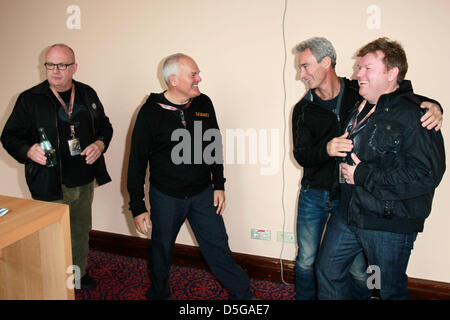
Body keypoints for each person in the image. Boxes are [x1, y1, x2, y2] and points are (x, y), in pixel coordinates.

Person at [292, 37, 442, 300]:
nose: (358, 73)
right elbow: (303, 154)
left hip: (387, 220)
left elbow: (426, 174)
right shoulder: (359, 106)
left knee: (384, 287)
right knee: (324, 269)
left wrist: (434, 105)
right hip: (347, 209)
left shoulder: (413, 113)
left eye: (367, 68)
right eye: (359, 68)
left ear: (392, 73)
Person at [127, 53, 253, 300]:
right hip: (166, 197)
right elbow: (136, 163)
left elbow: (214, 144)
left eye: (197, 73)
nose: (199, 78)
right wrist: (137, 207)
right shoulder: (149, 113)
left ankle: (243, 296)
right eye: (193, 75)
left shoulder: (203, 103)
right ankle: (159, 294)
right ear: (173, 80)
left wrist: (219, 185)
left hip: (203, 193)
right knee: (161, 252)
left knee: (218, 247)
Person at [1, 44, 113, 290]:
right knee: (51, 238)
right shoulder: (30, 99)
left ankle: (78, 274)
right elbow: (9, 136)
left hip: (84, 180)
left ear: (74, 67)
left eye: (62, 65)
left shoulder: (87, 94)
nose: (55, 70)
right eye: (50, 65)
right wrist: (28, 150)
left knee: (80, 230)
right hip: (49, 181)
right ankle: (53, 282)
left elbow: (105, 126)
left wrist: (99, 144)